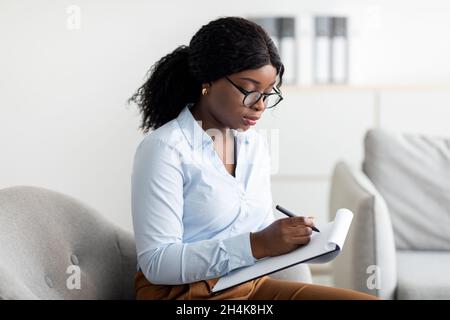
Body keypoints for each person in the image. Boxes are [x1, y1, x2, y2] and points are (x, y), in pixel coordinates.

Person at [129, 16, 378, 300]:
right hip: (182, 295)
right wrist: (258, 244)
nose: (259, 106)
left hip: (248, 285)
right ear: (207, 80)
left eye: (267, 93)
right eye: (249, 90)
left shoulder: (253, 144)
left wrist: (297, 238)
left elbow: (255, 229)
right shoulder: (164, 149)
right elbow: (158, 264)